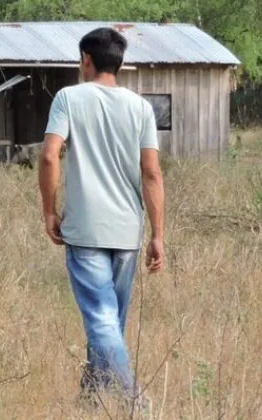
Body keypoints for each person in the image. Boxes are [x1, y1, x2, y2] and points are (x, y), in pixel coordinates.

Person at [38, 28, 166, 408]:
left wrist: (48, 210)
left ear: (86, 60)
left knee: (102, 321)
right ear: (120, 63)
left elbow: (49, 156)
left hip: (86, 230)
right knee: (109, 322)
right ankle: (91, 400)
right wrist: (158, 234)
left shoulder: (68, 98)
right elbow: (152, 173)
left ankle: (135, 403)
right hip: (128, 232)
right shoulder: (141, 107)